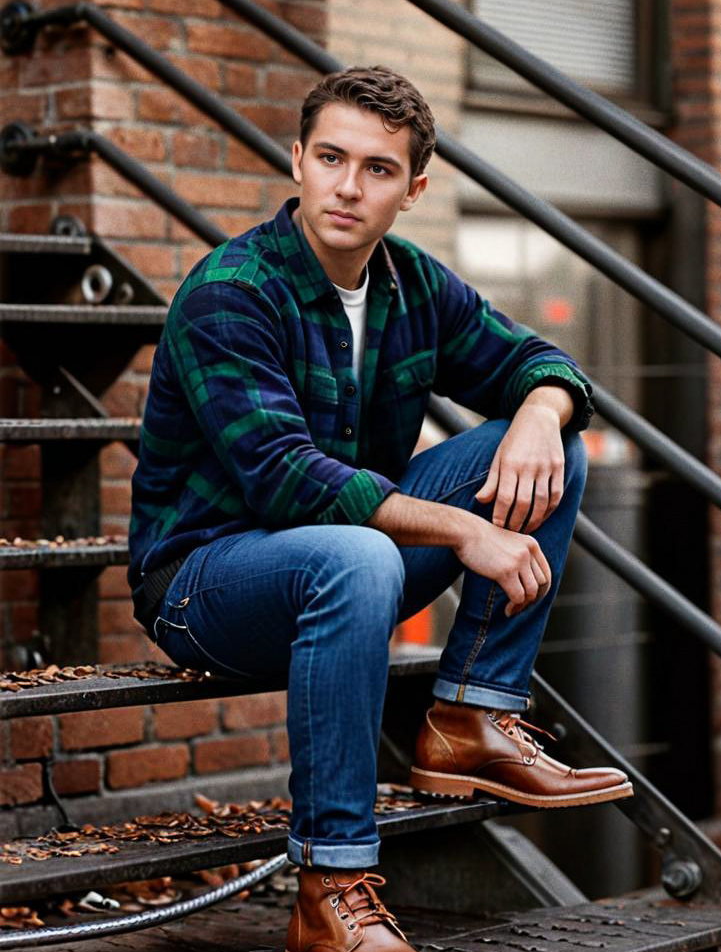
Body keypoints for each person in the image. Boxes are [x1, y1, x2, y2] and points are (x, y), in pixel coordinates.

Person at [128, 66, 632, 952]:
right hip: (203, 579)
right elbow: (287, 479)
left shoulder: (411, 286)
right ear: (297, 159)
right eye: (329, 158)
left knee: (553, 448)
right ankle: (330, 888)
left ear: (414, 187)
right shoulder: (231, 291)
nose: (347, 187)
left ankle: (470, 712)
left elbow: (541, 363)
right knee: (354, 554)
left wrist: (540, 415)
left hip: (343, 561)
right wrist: (468, 530)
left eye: (376, 169)